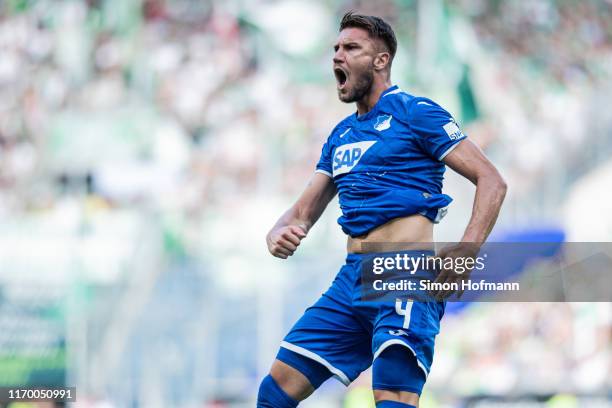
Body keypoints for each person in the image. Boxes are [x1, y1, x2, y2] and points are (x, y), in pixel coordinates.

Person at [258, 11, 506, 408]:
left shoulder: (416, 112)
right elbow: (301, 214)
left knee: (392, 395)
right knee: (275, 391)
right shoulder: (340, 135)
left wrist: (467, 250)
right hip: (350, 281)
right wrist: (278, 233)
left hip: (404, 272)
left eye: (351, 48)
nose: (338, 56)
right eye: (336, 48)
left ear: (380, 61)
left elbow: (491, 179)